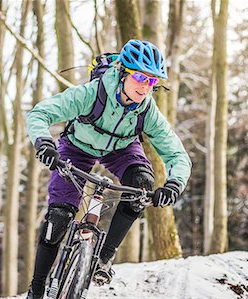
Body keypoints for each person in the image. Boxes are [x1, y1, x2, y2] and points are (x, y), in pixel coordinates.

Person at [25, 39, 192, 299]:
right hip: (77, 147)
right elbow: (39, 114)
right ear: (123, 72)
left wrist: (174, 183)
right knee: (57, 219)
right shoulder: (91, 94)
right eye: (139, 77)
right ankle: (36, 289)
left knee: (141, 186)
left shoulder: (146, 111)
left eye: (152, 82)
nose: (145, 86)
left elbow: (176, 154)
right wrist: (44, 142)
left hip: (121, 150)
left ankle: (103, 258)